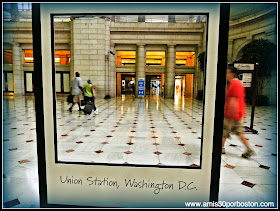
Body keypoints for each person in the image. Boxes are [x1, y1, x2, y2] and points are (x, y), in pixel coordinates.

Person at [222, 65, 255, 158]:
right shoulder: (238, 83)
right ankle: (248, 149)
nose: (226, 74)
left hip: (232, 113)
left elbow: (234, 100)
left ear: (232, 74)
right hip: (238, 113)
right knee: (239, 132)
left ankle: (221, 148)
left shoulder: (234, 84)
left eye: (228, 72)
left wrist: (229, 113)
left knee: (224, 130)